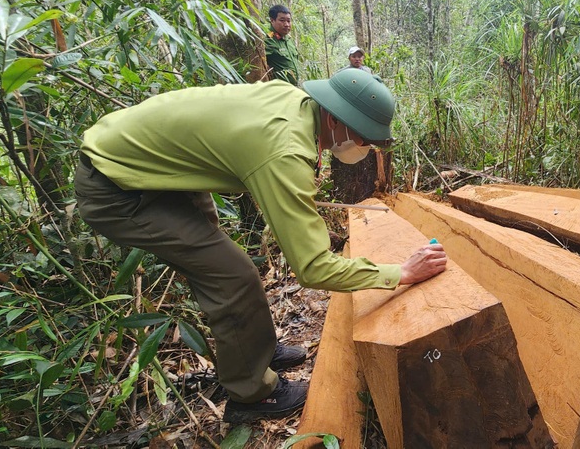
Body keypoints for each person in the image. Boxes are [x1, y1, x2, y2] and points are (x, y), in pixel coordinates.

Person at [73, 69, 448, 423]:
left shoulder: (296, 102)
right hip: (117, 187)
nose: (364, 146)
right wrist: (400, 273)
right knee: (233, 277)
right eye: (363, 135)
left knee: (223, 263)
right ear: (334, 118)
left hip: (159, 169)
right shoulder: (284, 151)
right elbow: (313, 267)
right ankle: (251, 395)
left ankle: (257, 351)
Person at [264, 5, 302, 83]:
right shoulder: (267, 40)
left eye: (288, 21)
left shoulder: (289, 40)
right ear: (272, 20)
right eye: (282, 20)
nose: (286, 24)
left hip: (294, 87)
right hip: (279, 89)